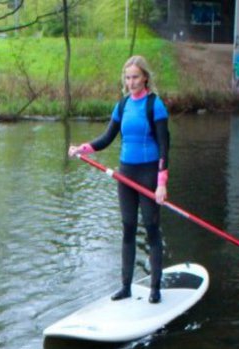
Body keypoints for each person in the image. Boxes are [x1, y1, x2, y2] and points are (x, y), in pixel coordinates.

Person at [68, 55, 171, 303]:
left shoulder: (155, 105)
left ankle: (155, 288)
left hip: (148, 174)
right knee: (127, 227)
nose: (131, 82)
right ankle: (126, 286)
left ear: (145, 77)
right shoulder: (122, 106)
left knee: (151, 228)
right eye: (127, 77)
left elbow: (166, 146)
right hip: (126, 173)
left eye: (135, 77)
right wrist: (82, 149)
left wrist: (161, 183)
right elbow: (106, 139)